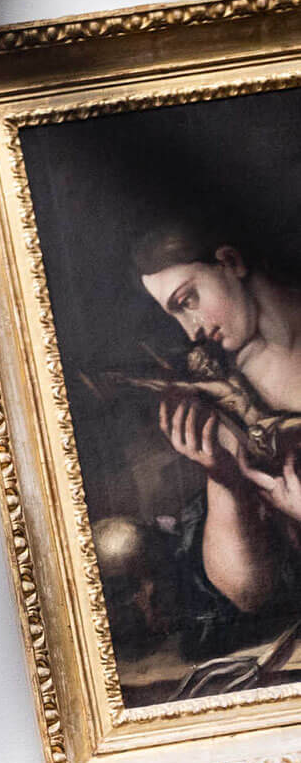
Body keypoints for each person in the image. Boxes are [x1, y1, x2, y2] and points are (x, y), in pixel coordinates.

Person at [139, 221, 301, 617]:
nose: (191, 331)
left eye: (188, 301)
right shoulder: (231, 397)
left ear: (231, 262)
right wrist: (224, 479)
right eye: (175, 315)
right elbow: (245, 592)